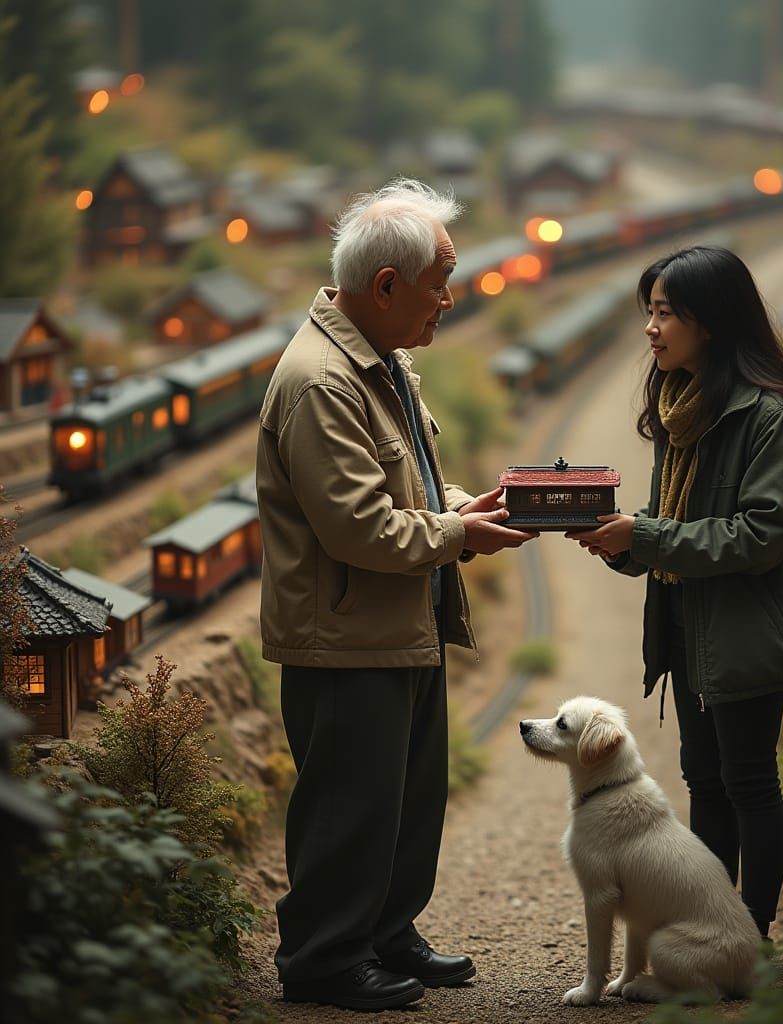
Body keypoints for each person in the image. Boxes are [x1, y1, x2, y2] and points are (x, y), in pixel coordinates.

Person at [256, 179, 538, 1012]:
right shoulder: (322, 383)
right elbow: (357, 529)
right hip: (344, 636)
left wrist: (457, 507)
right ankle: (322, 958)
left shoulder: (380, 363)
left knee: (404, 798)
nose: (449, 301)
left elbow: (404, 489)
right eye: (439, 283)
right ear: (385, 287)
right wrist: (460, 536)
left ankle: (385, 931)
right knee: (350, 803)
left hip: (396, 623)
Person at [567, 244, 783, 941]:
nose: (650, 328)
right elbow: (672, 527)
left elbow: (760, 536)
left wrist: (646, 536)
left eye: (665, 314)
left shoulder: (768, 418)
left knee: (748, 781)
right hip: (693, 621)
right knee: (704, 779)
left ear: (711, 322)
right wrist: (620, 542)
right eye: (648, 313)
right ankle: (716, 931)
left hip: (751, 626)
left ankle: (753, 935)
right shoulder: (684, 407)